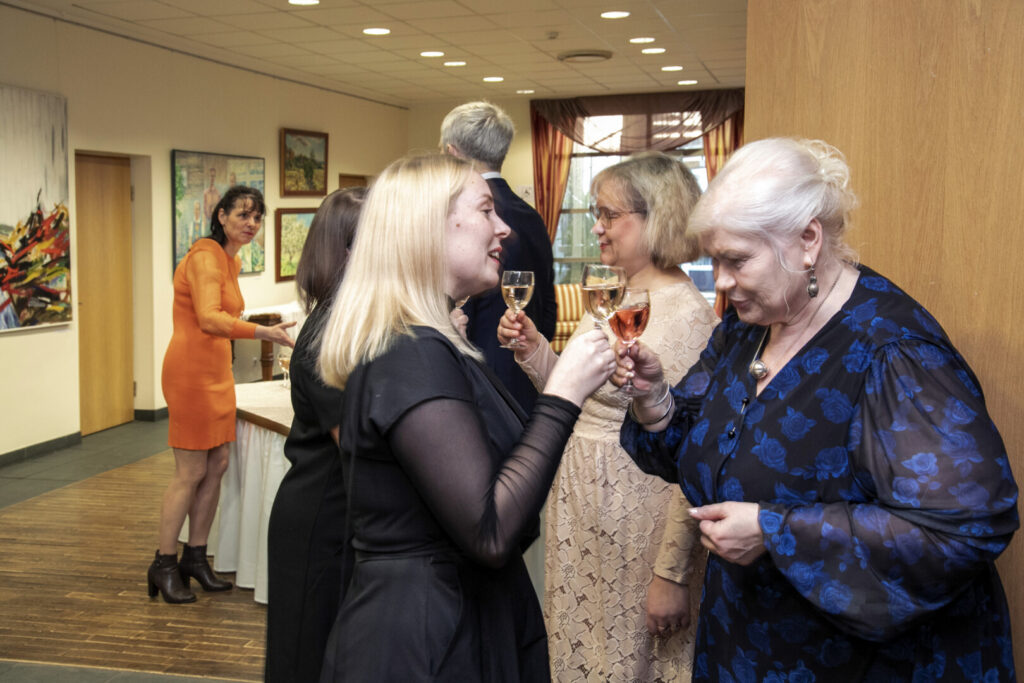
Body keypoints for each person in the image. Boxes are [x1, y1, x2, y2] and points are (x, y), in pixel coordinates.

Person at [616, 138, 1019, 681]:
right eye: (715, 260)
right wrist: (653, 398)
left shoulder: (893, 350)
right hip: (745, 640)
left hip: (861, 664)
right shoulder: (747, 326)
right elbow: (690, 450)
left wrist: (774, 530)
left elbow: (965, 528)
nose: (724, 282)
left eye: (737, 260)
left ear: (808, 240)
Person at [316, 153, 615, 680]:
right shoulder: (411, 351)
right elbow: (490, 531)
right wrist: (562, 393)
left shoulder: (425, 342)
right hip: (427, 637)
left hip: (454, 615)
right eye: (485, 210)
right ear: (429, 227)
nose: (503, 228)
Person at [498, 152, 718, 681]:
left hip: (638, 518)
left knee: (630, 661)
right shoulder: (619, 296)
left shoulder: (689, 316)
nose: (597, 227)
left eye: (609, 215)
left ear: (657, 218)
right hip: (583, 508)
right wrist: (534, 349)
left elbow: (694, 456)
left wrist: (672, 571)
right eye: (597, 213)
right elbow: (584, 396)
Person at [149, 186, 296, 604]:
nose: (251, 224)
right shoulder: (205, 256)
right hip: (190, 374)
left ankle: (195, 558)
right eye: (243, 215)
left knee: (218, 464)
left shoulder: (231, 259)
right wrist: (264, 332)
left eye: (257, 217)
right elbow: (209, 319)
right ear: (221, 216)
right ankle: (164, 563)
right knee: (190, 472)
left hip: (216, 372)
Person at [265, 187, 367, 681]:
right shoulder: (328, 336)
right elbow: (357, 446)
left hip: (338, 514)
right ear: (347, 250)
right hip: (319, 522)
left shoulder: (347, 321)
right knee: (304, 659)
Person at [440, 101, 556, 414]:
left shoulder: (453, 218)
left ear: (452, 153)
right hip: (531, 374)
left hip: (480, 383)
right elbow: (548, 303)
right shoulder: (532, 216)